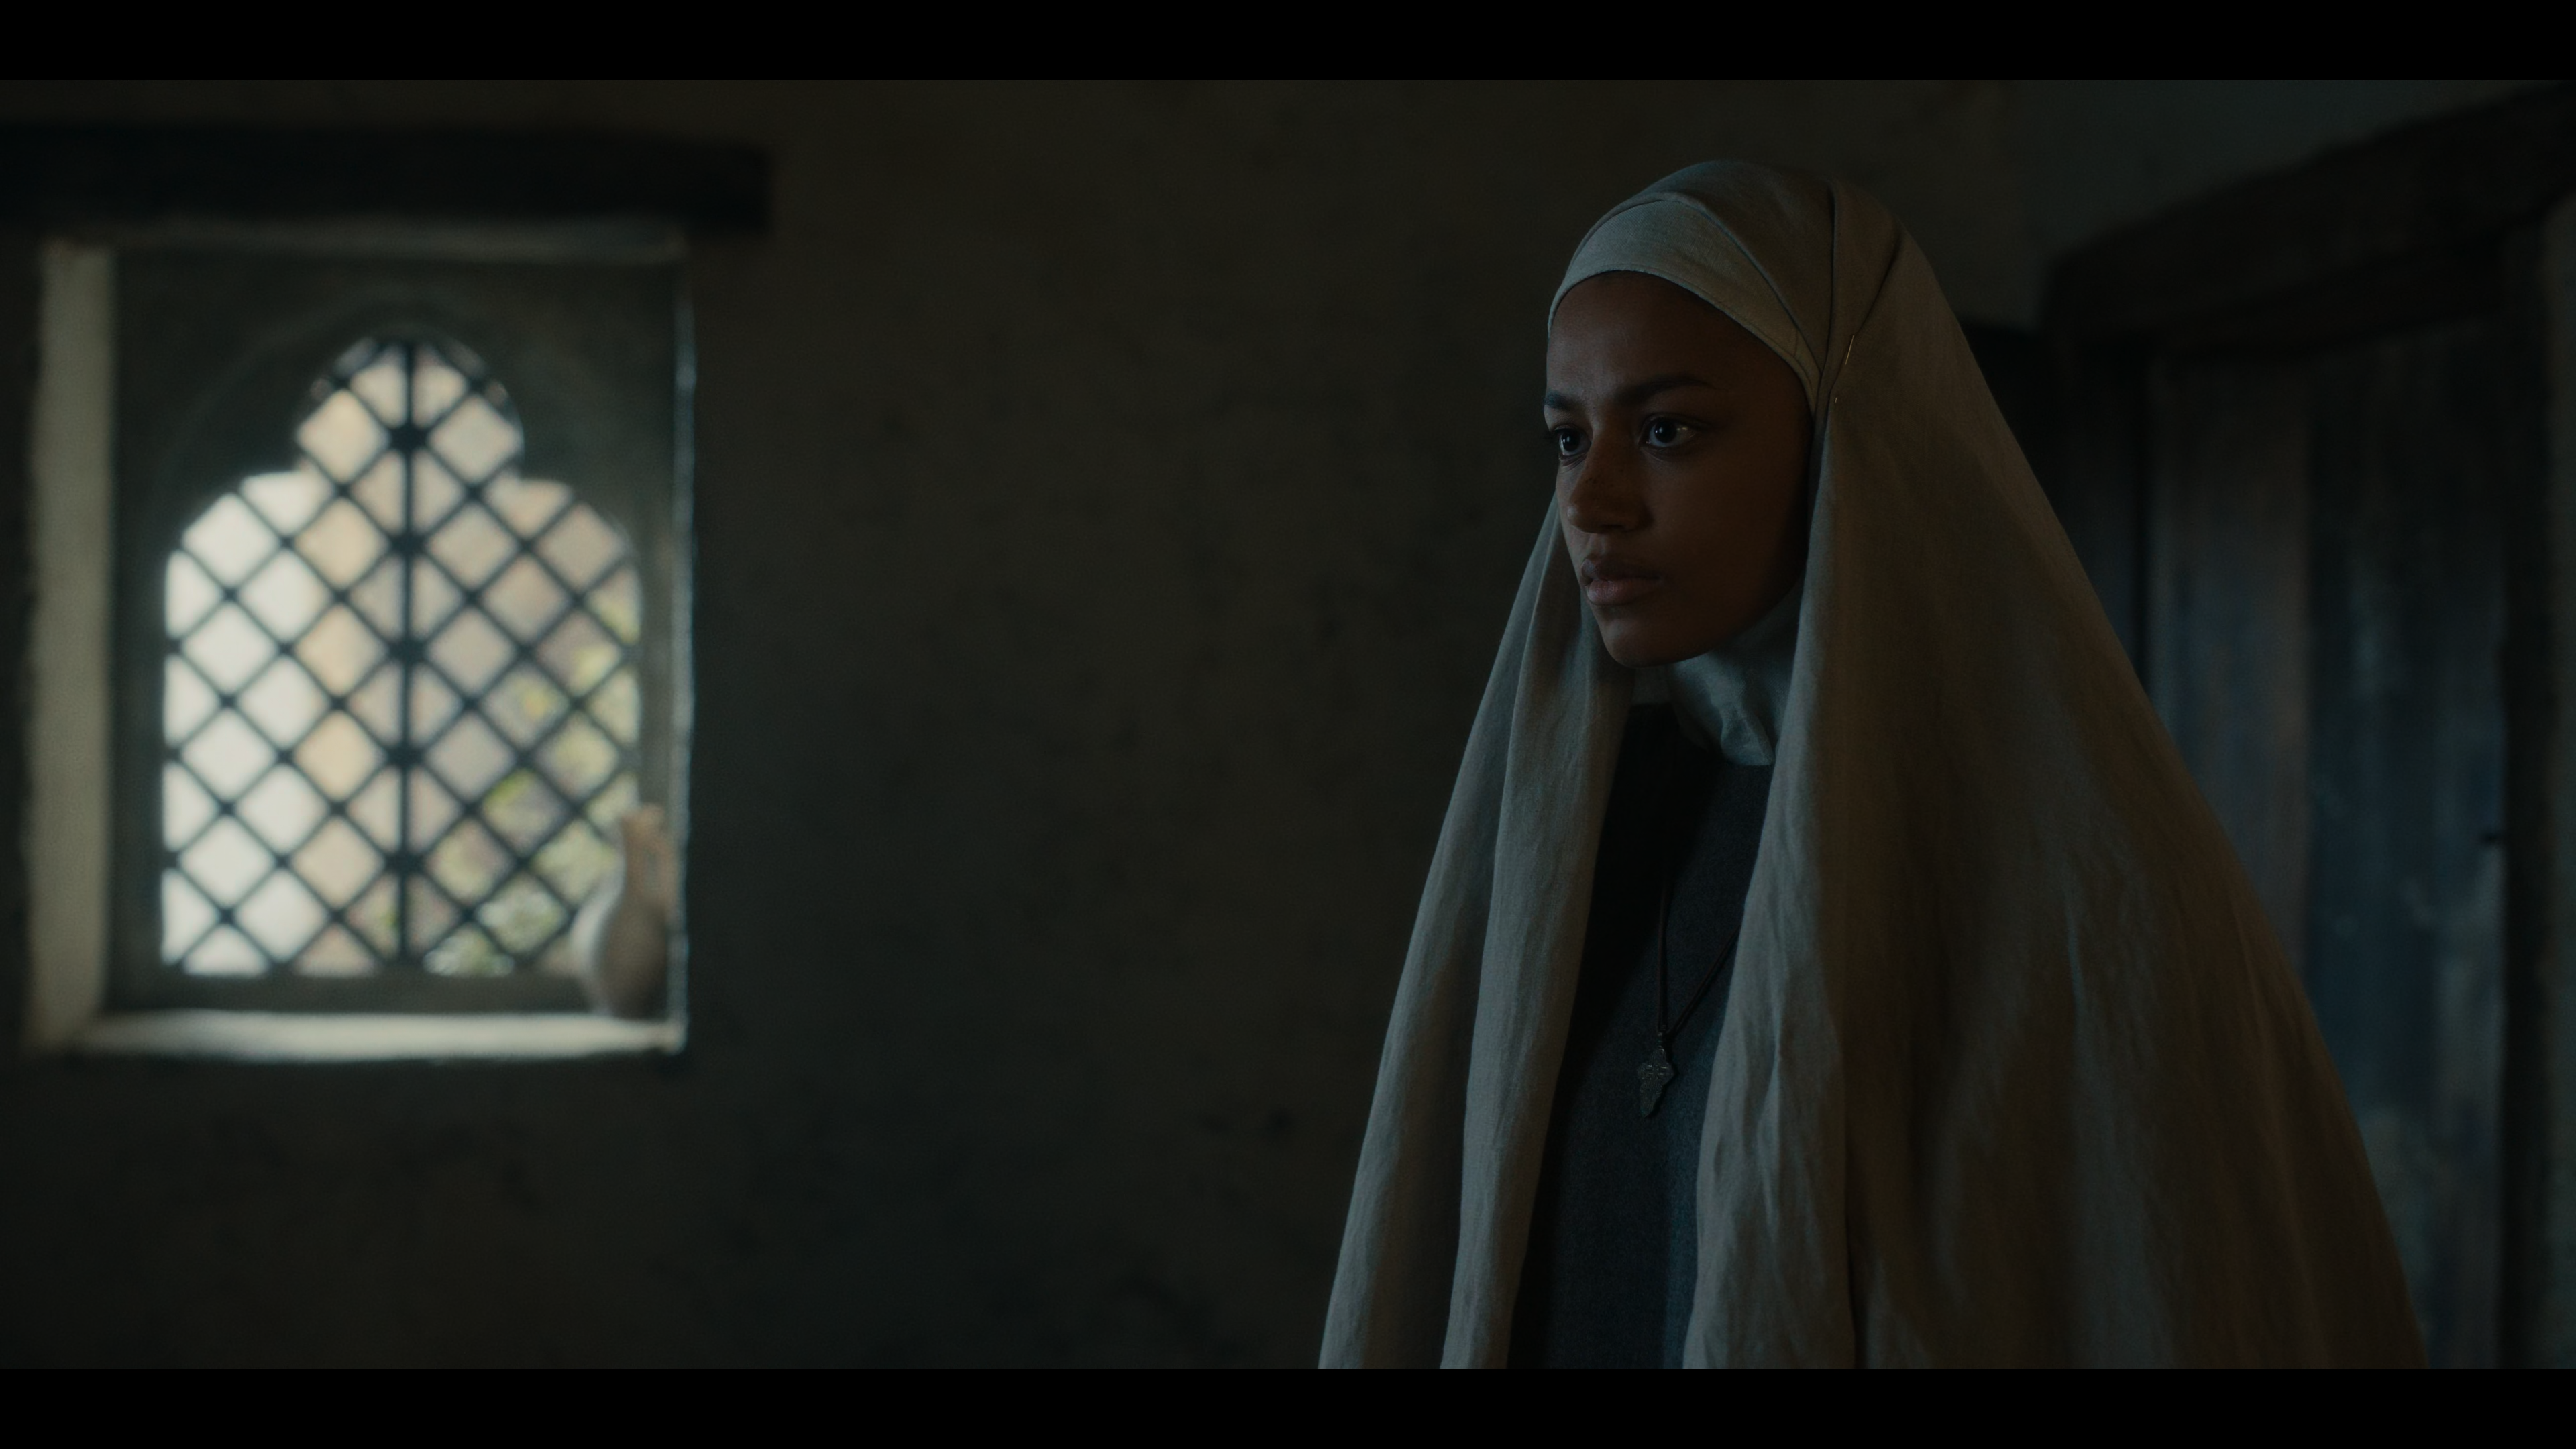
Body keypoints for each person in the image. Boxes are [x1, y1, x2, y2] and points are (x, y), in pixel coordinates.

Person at [1319, 162, 2422, 1367]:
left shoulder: (2084, 888)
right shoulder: (1574, 842)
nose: (1593, 502)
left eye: (1668, 429)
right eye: (1568, 438)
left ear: (1850, 434)